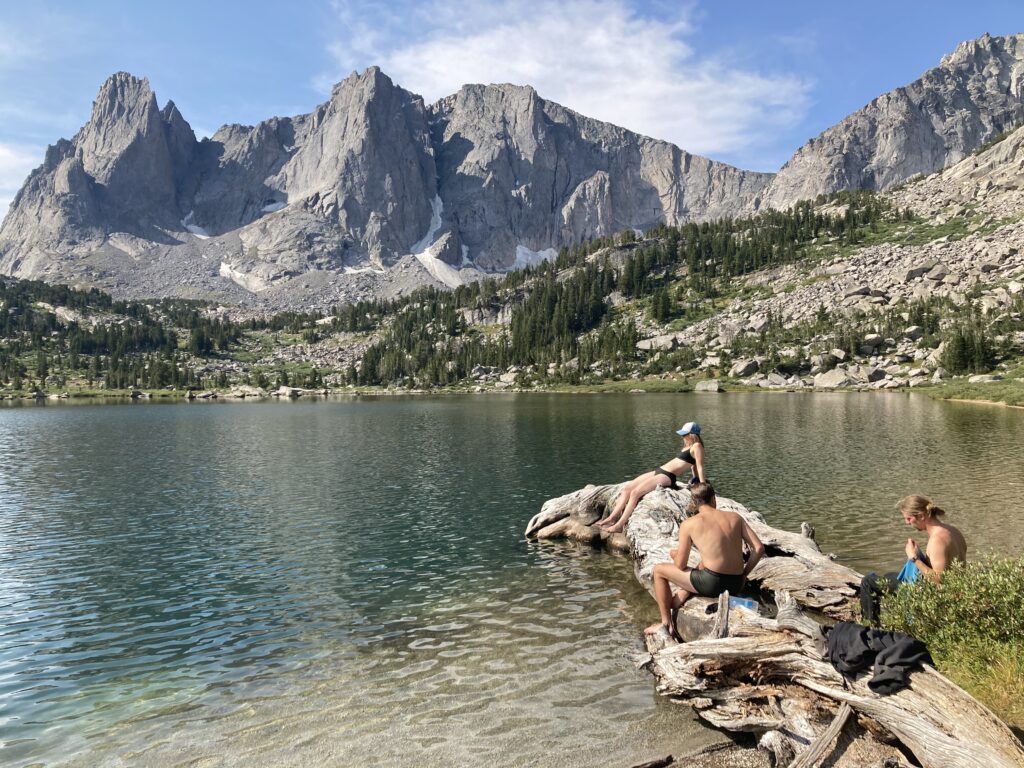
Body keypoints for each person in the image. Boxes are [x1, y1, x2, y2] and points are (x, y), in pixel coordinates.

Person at [643, 482, 764, 639]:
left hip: (712, 584)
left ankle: (666, 624)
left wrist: (674, 554)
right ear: (714, 498)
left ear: (694, 502)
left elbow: (680, 565)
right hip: (735, 584)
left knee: (658, 570)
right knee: (703, 564)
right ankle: (685, 592)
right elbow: (759, 548)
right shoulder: (736, 518)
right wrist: (744, 575)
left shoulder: (689, 524)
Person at [859, 495, 968, 625]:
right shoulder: (953, 530)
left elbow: (940, 579)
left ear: (921, 516)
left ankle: (870, 630)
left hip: (938, 598)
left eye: (909, 518)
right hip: (955, 592)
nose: (907, 522)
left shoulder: (937, 540)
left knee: (868, 582)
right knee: (889, 576)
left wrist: (914, 558)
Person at [596, 422, 707, 533]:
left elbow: (699, 466)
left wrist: (702, 485)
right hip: (659, 471)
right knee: (627, 489)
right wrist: (694, 477)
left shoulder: (697, 446)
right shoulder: (688, 446)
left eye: (684, 435)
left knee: (635, 493)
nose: (682, 437)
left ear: (692, 435)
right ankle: (612, 518)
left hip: (668, 476)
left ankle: (620, 525)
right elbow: (693, 467)